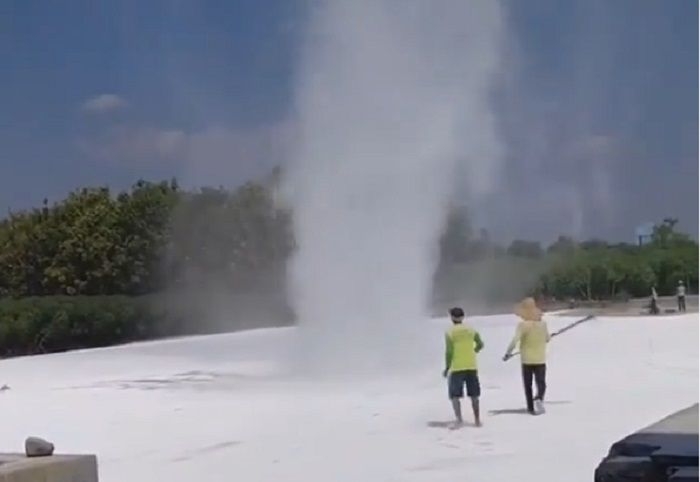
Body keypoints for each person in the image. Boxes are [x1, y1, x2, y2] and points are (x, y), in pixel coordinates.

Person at [502, 297, 550, 415]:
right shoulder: (543, 324)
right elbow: (547, 339)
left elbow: (515, 341)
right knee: (541, 383)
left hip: (526, 359)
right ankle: (538, 398)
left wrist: (508, 353)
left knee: (528, 385)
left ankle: (530, 407)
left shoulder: (522, 325)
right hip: (540, 359)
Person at [443, 307, 484, 428]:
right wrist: (473, 351)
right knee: (474, 394)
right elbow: (481, 344)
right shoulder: (471, 329)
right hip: (471, 365)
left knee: (455, 395)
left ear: (452, 317)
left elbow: (449, 352)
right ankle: (477, 420)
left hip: (457, 366)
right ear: (462, 317)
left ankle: (459, 419)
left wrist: (447, 367)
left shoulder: (450, 332)